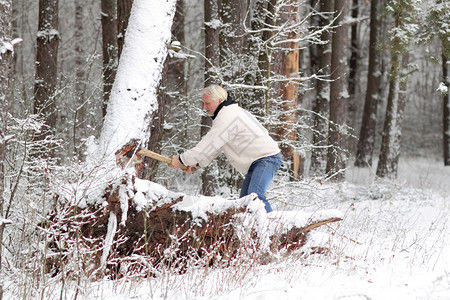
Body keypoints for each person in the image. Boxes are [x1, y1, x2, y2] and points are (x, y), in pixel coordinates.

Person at [168, 84, 282, 213]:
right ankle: (252, 230)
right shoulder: (226, 114)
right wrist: (196, 163)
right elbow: (215, 147)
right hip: (257, 161)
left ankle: (270, 227)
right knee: (245, 201)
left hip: (267, 158)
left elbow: (207, 144)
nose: (204, 107)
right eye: (203, 103)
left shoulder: (227, 115)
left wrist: (182, 160)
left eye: (207, 103)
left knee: (255, 196)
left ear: (220, 101)